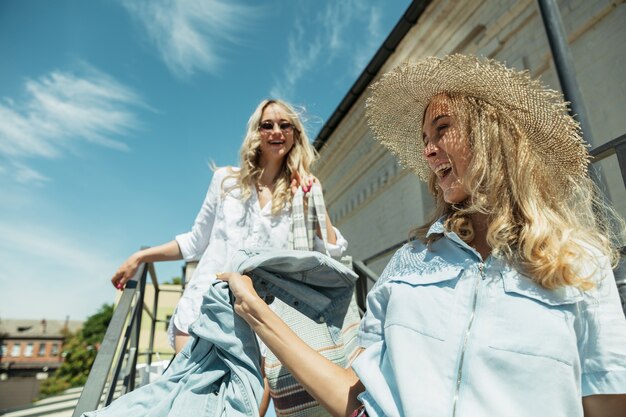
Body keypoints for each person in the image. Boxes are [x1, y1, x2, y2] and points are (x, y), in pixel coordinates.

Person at [218, 54, 626, 417]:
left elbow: (607, 404)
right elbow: (355, 395)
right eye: (424, 140)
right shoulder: (409, 260)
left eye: (442, 128)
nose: (428, 151)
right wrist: (256, 310)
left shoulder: (581, 264)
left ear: (492, 134)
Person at [110, 98, 348, 356]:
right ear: (256, 133)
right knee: (188, 395)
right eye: (267, 125)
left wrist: (314, 197)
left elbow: (332, 252)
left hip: (259, 322)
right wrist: (141, 257)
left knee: (252, 397)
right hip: (201, 311)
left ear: (295, 135)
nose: (277, 132)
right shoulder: (226, 181)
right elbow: (195, 242)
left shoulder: (299, 194)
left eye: (285, 125)